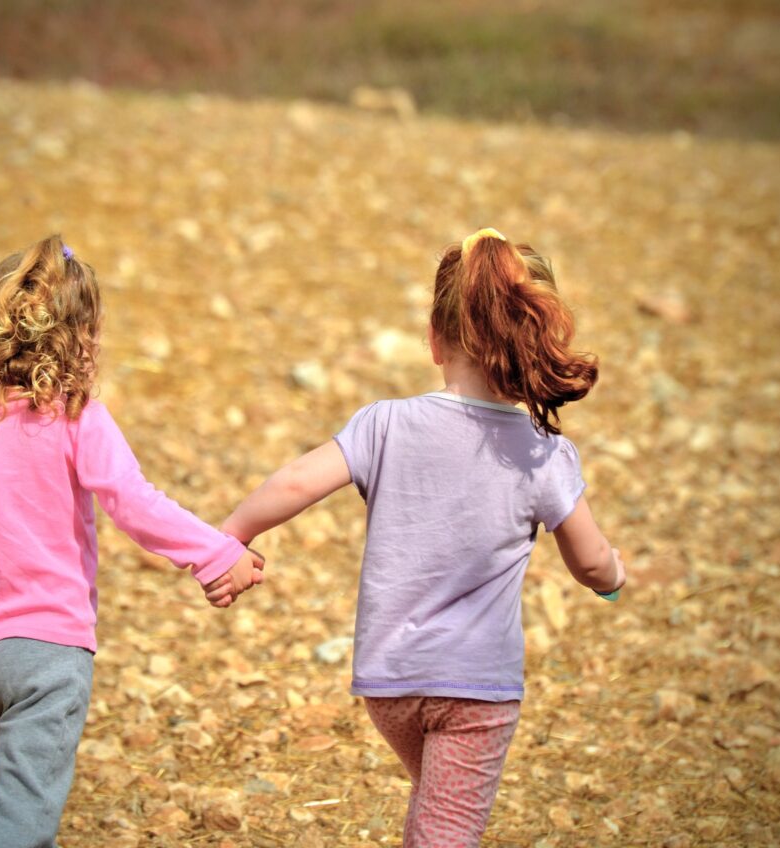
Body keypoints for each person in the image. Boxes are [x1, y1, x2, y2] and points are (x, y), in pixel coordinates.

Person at [204, 228, 625, 846]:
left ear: (433, 339)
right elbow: (589, 563)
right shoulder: (541, 453)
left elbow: (295, 483)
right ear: (535, 338)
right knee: (445, 833)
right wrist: (615, 577)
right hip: (475, 689)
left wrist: (230, 535)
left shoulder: (385, 424)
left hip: (391, 682)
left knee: (436, 815)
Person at [0, 235, 263, 848]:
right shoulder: (75, 416)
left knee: (24, 798)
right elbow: (134, 502)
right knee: (18, 818)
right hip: (48, 654)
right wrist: (215, 554)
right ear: (79, 339)